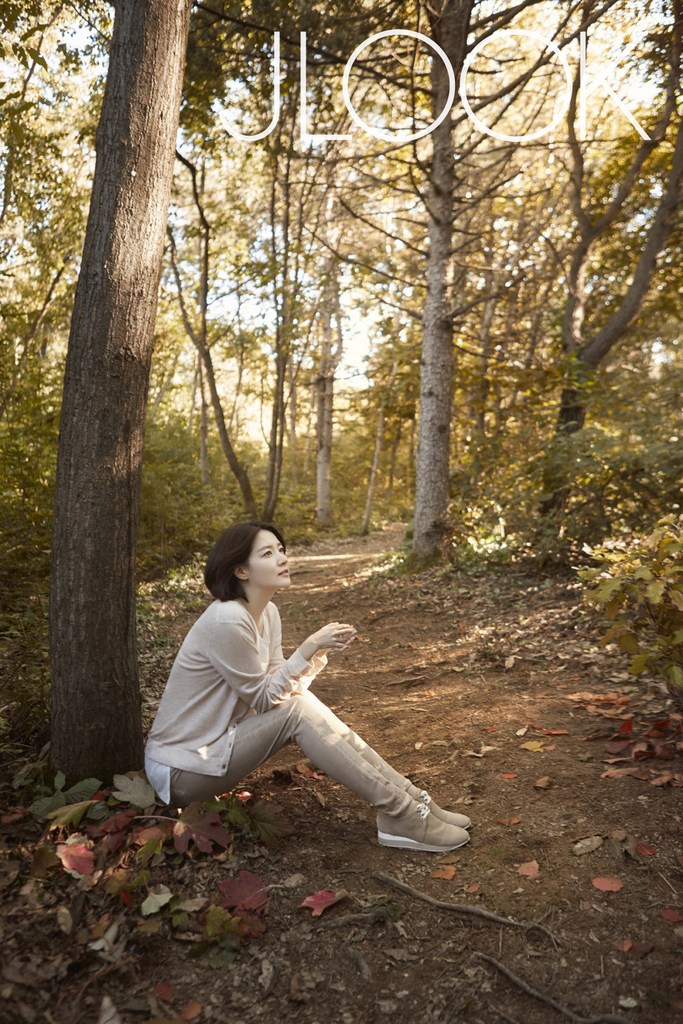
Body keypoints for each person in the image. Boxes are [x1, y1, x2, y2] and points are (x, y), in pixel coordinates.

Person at [144, 522, 471, 853]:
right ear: (241, 569)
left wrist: (316, 654)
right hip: (182, 770)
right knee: (297, 712)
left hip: (217, 748)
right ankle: (400, 813)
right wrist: (309, 646)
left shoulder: (266, 612)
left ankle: (410, 799)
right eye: (268, 553)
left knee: (302, 703)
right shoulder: (227, 620)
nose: (282, 558)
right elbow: (264, 699)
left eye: (281, 550)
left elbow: (280, 688)